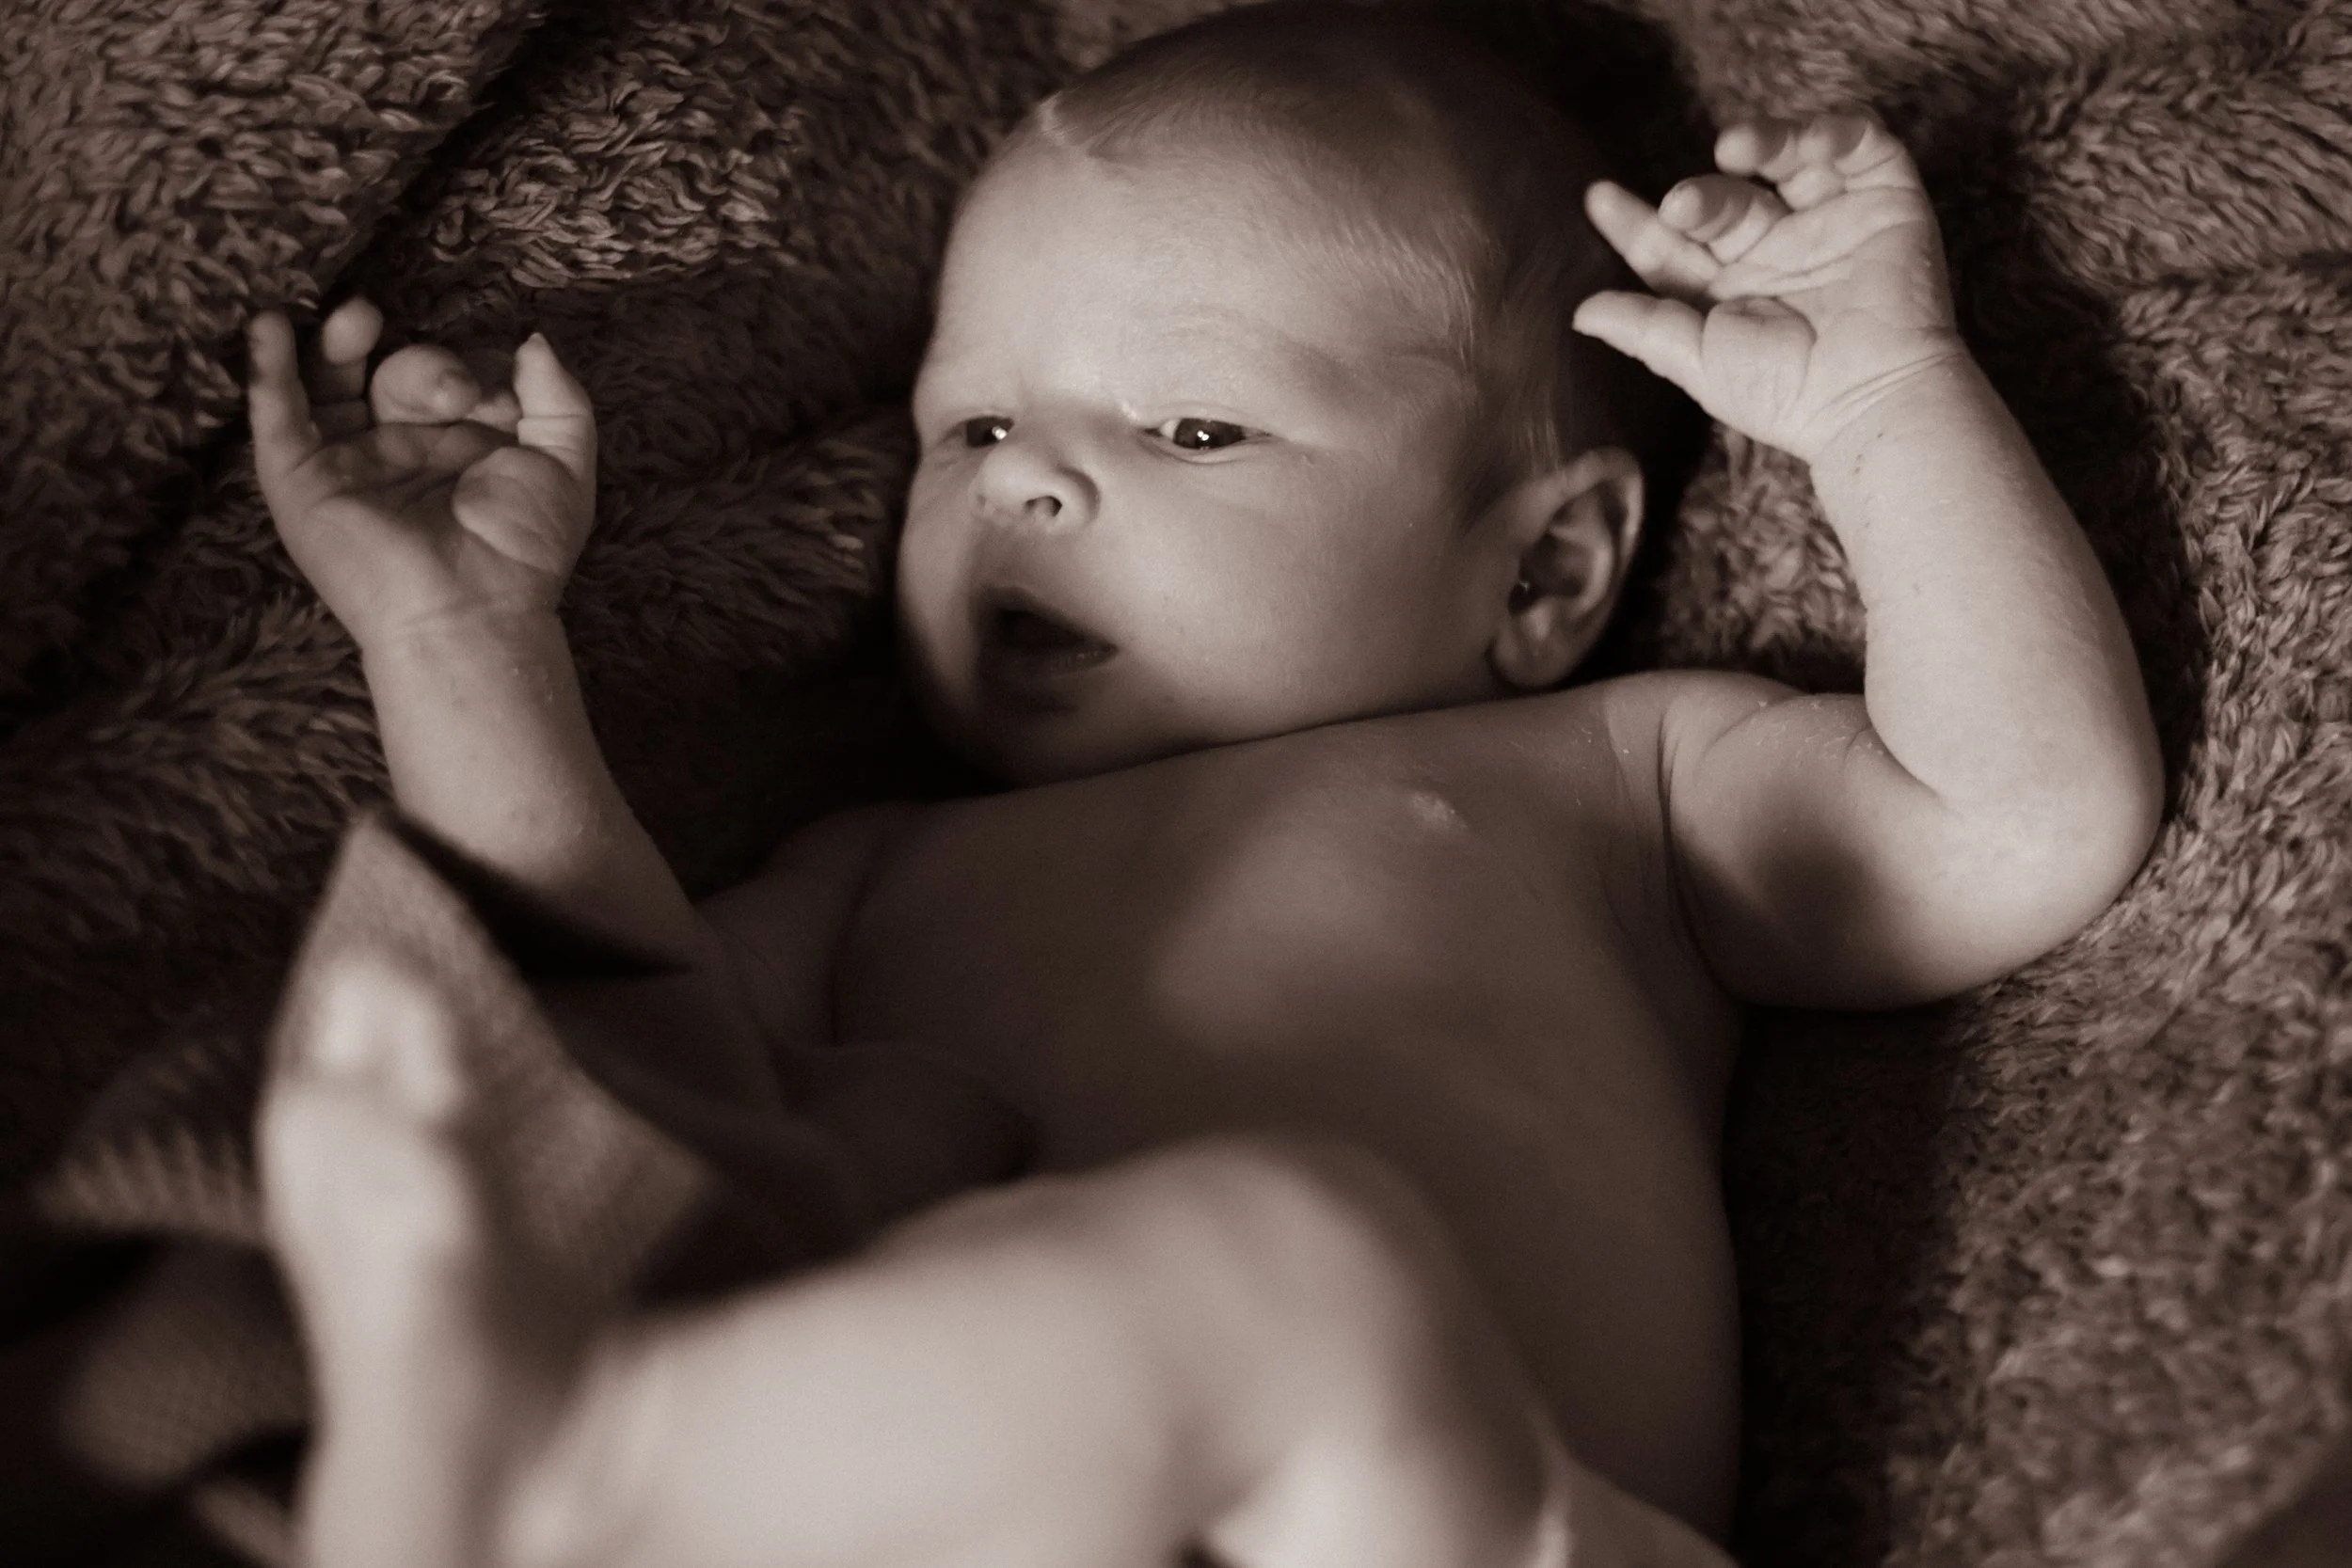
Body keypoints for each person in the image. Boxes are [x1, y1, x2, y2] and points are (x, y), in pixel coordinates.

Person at [243, 4, 2163, 1564]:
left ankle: (530, 1491)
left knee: (1289, 1259)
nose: (1023, 483)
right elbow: (599, 1065)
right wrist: (463, 636)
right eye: (972, 420)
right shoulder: (870, 872)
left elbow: (2016, 818)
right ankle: (562, 1481)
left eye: (1188, 425)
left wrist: (1881, 408)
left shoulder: (1616, 778)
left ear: (1546, 571)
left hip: (1415, 1509)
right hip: (940, 1518)